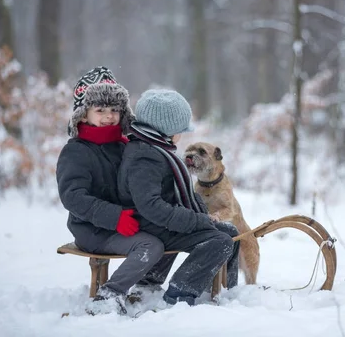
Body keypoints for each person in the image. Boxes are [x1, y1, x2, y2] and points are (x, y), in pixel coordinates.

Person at [56, 67, 165, 315]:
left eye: (115, 110)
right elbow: (73, 197)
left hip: (129, 220)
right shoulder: (76, 151)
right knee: (150, 245)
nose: (109, 116)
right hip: (93, 229)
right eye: (100, 110)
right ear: (83, 114)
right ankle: (109, 295)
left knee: (169, 231)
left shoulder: (124, 146)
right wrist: (114, 217)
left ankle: (147, 286)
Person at [118, 89, 240, 306]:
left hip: (157, 222)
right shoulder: (145, 157)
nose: (182, 136)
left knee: (231, 232)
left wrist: (196, 213)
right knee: (221, 241)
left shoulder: (154, 149)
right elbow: (151, 206)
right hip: (149, 225)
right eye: (180, 130)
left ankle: (228, 289)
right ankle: (179, 294)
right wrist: (194, 220)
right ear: (168, 129)